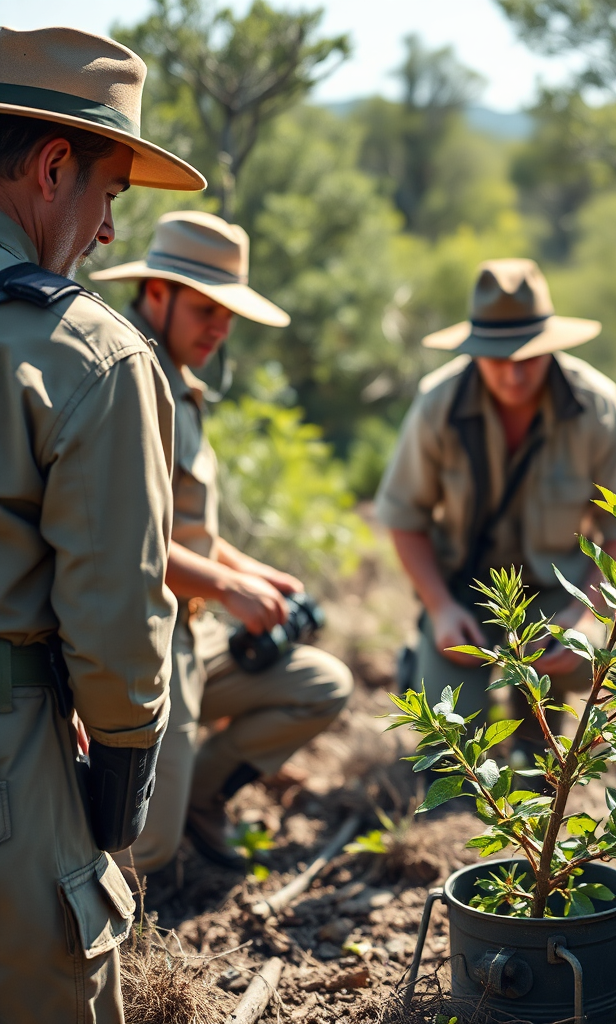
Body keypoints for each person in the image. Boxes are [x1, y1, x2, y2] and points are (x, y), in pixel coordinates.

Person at [0, 26, 205, 1023]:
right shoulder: (89, 355)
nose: (110, 235)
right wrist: (115, 793)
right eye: (110, 196)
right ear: (51, 167)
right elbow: (120, 630)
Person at [90, 211, 353, 874]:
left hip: (194, 626)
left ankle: (199, 798)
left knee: (321, 685)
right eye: (206, 307)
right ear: (156, 293)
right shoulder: (124, 377)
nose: (220, 328)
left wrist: (255, 573)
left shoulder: (182, 382)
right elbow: (124, 538)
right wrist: (230, 587)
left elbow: (186, 527)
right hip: (142, 633)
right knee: (144, 848)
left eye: (228, 313)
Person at [376, 259, 616, 753]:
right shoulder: (439, 402)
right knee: (453, 746)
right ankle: (424, 660)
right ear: (474, 350)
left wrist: (585, 619)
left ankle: (539, 728)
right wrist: (440, 608)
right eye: (498, 357)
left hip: (558, 596)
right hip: (464, 595)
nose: (515, 373)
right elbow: (403, 518)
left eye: (529, 356)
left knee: (571, 690)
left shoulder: (596, 404)